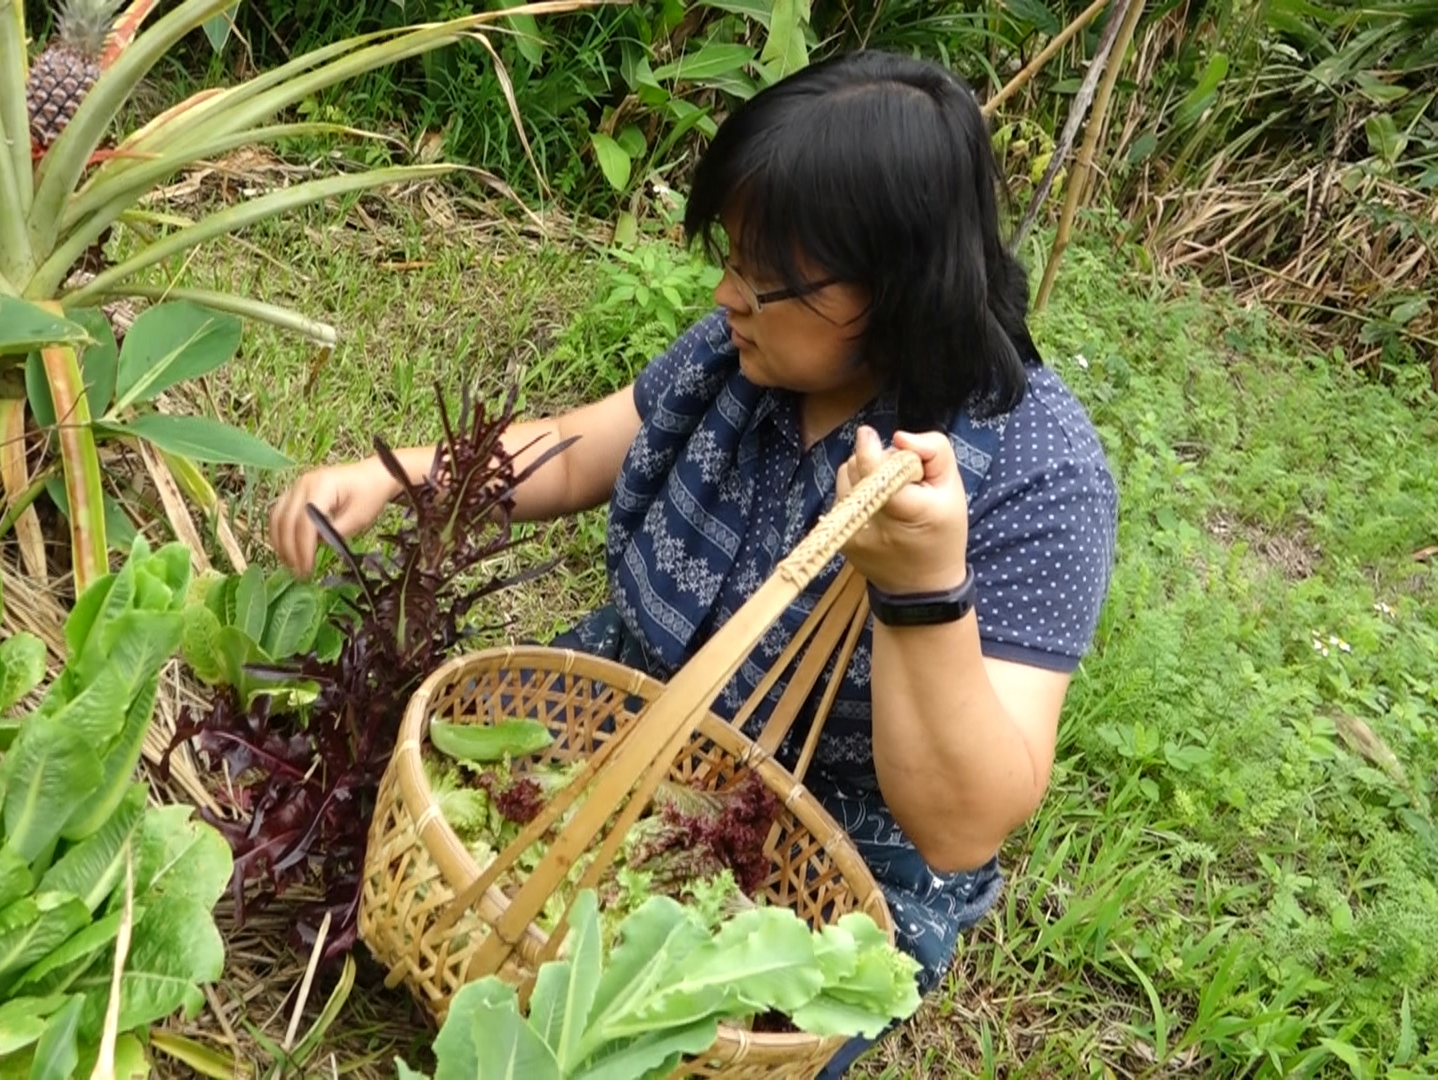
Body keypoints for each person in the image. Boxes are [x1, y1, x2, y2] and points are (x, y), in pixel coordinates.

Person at [268, 50, 1118, 1076]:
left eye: (768, 279)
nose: (728, 294)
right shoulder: (745, 351)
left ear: (890, 287)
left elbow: (963, 824)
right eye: (734, 259)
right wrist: (397, 476)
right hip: (621, 704)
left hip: (828, 833)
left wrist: (921, 589)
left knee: (684, 1032)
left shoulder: (1039, 472)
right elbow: (585, 446)